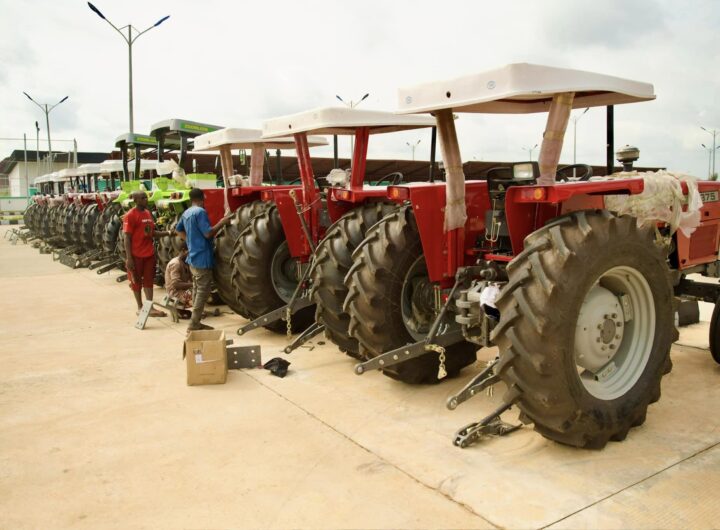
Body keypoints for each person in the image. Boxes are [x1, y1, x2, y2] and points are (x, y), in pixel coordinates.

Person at [175, 188, 231, 332]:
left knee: (196, 288)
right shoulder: (200, 212)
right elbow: (208, 233)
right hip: (202, 257)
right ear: (202, 198)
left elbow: (178, 230)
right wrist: (223, 222)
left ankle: (196, 320)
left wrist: (190, 240)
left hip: (193, 256)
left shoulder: (186, 213)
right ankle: (194, 324)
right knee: (203, 291)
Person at [123, 190, 169, 317]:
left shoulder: (148, 213)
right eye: (143, 198)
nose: (146, 200)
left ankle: (150, 307)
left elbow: (152, 233)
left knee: (148, 281)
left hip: (148, 255)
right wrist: (129, 258)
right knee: (136, 281)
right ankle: (140, 307)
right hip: (136, 255)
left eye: (146, 197)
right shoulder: (130, 215)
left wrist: (169, 233)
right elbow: (126, 237)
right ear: (135, 200)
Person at [165, 243, 193, 319]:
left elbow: (191, 279)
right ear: (183, 250)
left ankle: (181, 310)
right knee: (199, 296)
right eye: (190, 252)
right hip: (175, 293)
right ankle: (178, 309)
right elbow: (176, 284)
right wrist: (193, 285)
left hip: (181, 290)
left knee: (201, 291)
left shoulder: (185, 263)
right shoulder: (175, 263)